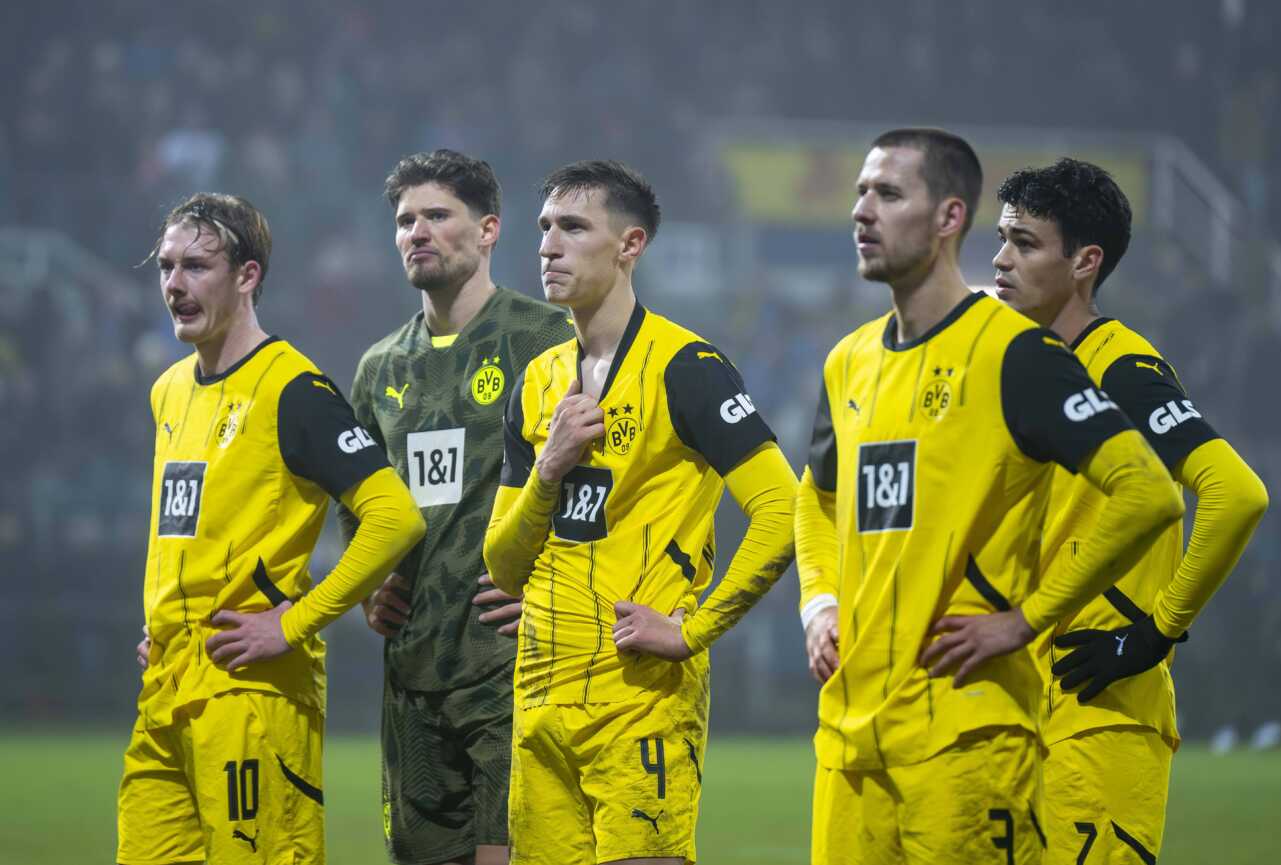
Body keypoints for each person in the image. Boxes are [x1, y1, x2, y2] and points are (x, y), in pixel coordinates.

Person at [794, 128, 1186, 865]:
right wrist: (819, 602)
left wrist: (1027, 619)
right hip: (850, 745)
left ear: (948, 218)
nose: (862, 211)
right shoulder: (847, 361)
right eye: (858, 193)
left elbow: (1147, 490)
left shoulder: (1015, 353)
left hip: (967, 739)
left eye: (887, 193)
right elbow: (814, 498)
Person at [481, 160, 796, 865]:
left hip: (640, 697)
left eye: (573, 227)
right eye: (543, 228)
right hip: (538, 702)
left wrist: (695, 628)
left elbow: (783, 508)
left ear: (630, 245)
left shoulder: (687, 367)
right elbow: (501, 564)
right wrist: (548, 467)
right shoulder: (536, 384)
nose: (548, 246)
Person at [118, 193, 425, 864]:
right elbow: (188, 522)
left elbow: (395, 517)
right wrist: (170, 619)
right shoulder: (168, 389)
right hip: (168, 685)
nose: (175, 284)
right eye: (166, 266)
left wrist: (290, 623)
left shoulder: (293, 390)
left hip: (253, 692)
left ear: (247, 276)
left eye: (197, 266)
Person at [991, 157, 1268, 864]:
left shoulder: (1122, 367)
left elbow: (1237, 492)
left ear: (1086, 261)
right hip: (1015, 705)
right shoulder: (1020, 368)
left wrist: (1154, 632)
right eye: (1001, 238)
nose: (999, 259)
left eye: (1025, 243)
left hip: (1103, 714)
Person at [341, 150, 573, 865]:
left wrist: (552, 589)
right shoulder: (380, 369)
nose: (418, 231)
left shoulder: (546, 337)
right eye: (406, 220)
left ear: (489, 229)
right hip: (412, 673)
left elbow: (594, 483)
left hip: (511, 664)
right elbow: (359, 499)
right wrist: (370, 582)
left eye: (438, 215)